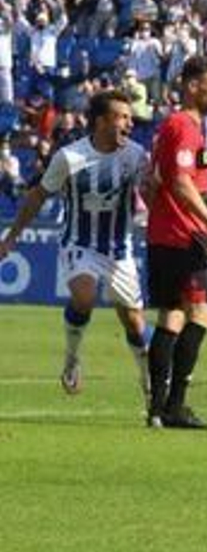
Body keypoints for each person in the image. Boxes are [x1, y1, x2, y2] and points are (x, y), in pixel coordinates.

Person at [0, 90, 150, 404]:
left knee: (134, 322)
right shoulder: (70, 157)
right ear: (100, 121)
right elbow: (38, 195)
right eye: (121, 117)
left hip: (119, 249)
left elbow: (151, 193)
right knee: (84, 295)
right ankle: (72, 358)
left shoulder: (136, 155)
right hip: (78, 242)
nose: (128, 123)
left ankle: (149, 381)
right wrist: (12, 237)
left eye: (129, 117)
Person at [144, 57, 207, 430]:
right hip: (184, 236)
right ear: (193, 86)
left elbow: (153, 181)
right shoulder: (184, 125)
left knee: (173, 316)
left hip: (166, 234)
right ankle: (174, 405)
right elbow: (180, 182)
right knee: (201, 315)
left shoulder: (182, 127)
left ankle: (158, 408)